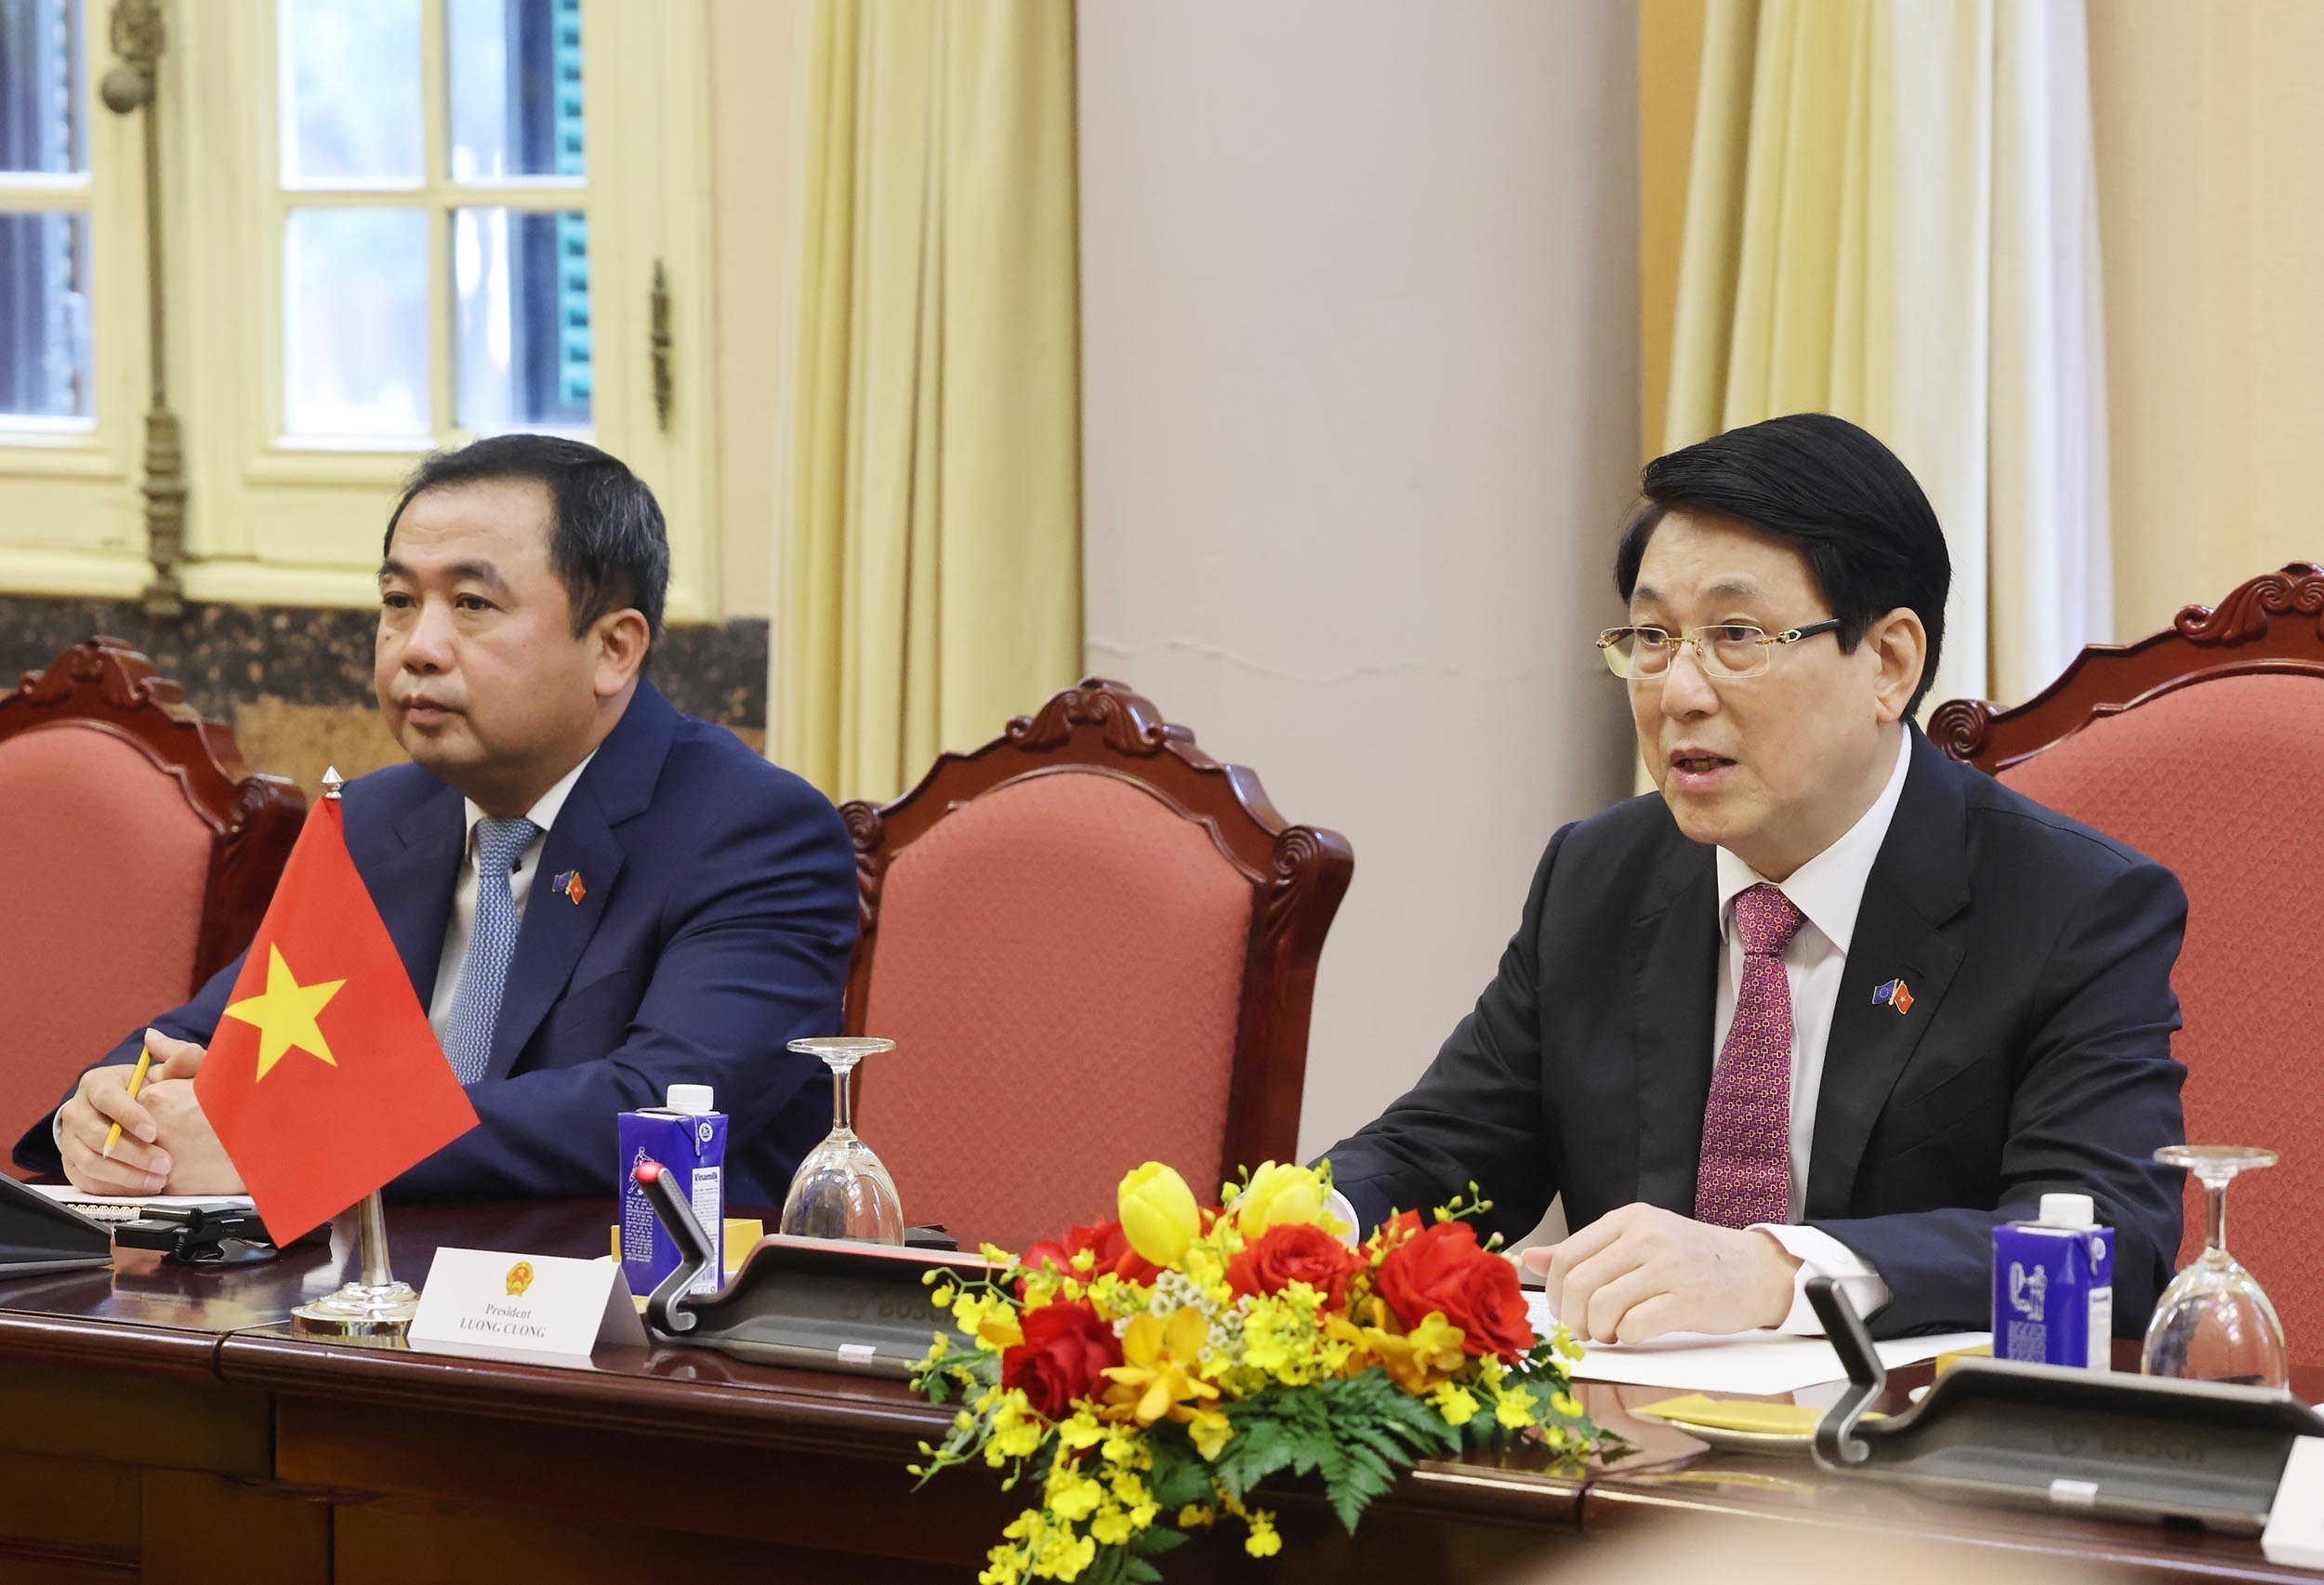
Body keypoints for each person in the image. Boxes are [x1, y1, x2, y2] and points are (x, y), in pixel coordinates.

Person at [1321, 414, 2186, 1341]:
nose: (1678, 692)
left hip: (1905, 1424)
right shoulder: (1596, 877)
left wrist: (1782, 1272)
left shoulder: (2068, 906)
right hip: (1629, 1419)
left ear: (1889, 662)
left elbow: (2107, 1241)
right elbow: (1436, 1154)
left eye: (1736, 635)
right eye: (1651, 637)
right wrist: (1299, 1230)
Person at [14, 434, 858, 1209]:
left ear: (614, 648)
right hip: (360, 1294)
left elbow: (656, 1109)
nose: (417, 646)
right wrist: (107, 1110)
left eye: (472, 604)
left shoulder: (757, 834)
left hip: (633, 1305)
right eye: (397, 600)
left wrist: (291, 1143)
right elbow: (213, 1035)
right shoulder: (378, 818)